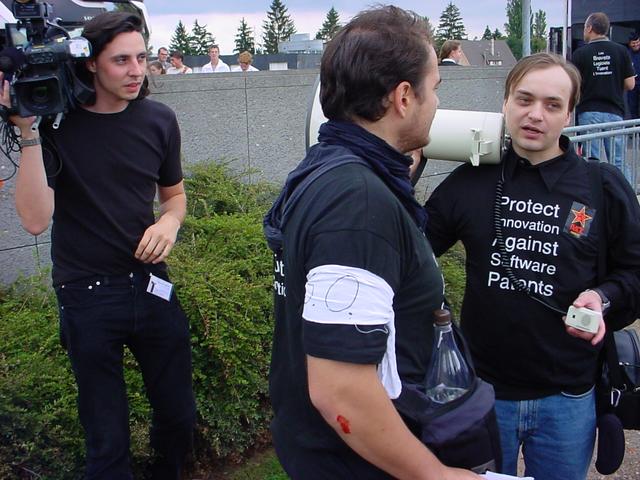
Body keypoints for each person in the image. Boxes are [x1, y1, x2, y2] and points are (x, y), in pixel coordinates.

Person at [263, 6, 480, 480]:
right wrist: (436, 475)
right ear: (403, 97)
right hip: (354, 464)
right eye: (434, 89)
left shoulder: (330, 168)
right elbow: (340, 391)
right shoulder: (356, 203)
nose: (436, 104)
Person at [424, 53, 640, 480]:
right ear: (505, 103)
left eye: (552, 104)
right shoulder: (470, 182)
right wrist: (406, 165)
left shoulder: (600, 186)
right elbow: (410, 248)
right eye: (524, 99)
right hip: (484, 393)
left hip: (567, 398)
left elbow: (633, 273)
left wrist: (602, 298)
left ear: (569, 114)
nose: (535, 115)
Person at [7, 11, 196, 479]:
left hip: (151, 286)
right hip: (86, 295)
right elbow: (35, 220)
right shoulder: (55, 125)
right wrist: (27, 132)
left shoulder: (159, 119)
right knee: (106, 439)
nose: (136, 71)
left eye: (142, 58)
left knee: (178, 418)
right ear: (91, 63)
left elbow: (174, 197)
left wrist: (170, 223)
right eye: (121, 60)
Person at [572, 12, 635, 183]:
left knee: (591, 161)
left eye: (584, 28)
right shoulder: (621, 51)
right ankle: (625, 196)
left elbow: (572, 85)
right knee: (618, 161)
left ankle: (594, 196)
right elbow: (630, 84)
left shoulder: (580, 54)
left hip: (588, 112)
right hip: (614, 112)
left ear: (590, 28)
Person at [626, 31, 640, 119]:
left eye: (637, 42)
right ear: (629, 44)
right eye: (633, 43)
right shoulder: (627, 54)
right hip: (632, 84)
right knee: (632, 107)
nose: (636, 45)